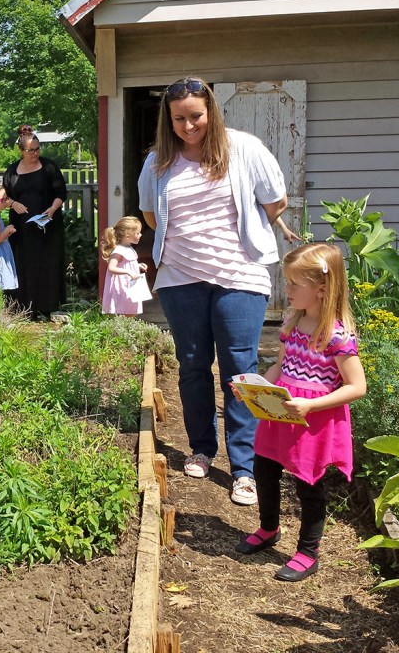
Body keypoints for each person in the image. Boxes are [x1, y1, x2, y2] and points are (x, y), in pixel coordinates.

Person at [138, 76, 288, 506]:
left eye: (196, 116)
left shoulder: (244, 148)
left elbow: (275, 201)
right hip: (180, 278)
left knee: (239, 368)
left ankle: (245, 468)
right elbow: (151, 215)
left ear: (211, 111)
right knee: (192, 365)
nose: (188, 126)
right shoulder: (158, 162)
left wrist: (230, 240)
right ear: (168, 120)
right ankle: (202, 449)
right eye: (179, 119)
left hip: (240, 275)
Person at [234, 243, 365, 582]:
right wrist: (256, 388)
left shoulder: (337, 335)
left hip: (313, 420)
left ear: (321, 288)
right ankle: (268, 529)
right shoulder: (292, 322)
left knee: (309, 486)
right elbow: (281, 366)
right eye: (286, 281)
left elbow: (357, 387)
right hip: (281, 413)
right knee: (264, 469)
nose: (286, 289)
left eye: (294, 283)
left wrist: (311, 404)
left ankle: (308, 552)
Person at [3, 124, 68, 321]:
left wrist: (52, 209)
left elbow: (60, 193)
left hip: (47, 227)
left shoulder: (49, 167)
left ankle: (48, 307)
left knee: (48, 265)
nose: (35, 153)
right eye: (31, 150)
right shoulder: (12, 171)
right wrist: (13, 204)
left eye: (38, 149)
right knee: (25, 266)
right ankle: (24, 308)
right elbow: (4, 198)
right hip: (22, 231)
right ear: (21, 150)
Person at [100, 216, 149, 316]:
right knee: (125, 311)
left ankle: (127, 324)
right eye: (137, 233)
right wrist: (129, 272)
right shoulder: (119, 250)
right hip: (122, 287)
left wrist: (137, 265)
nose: (140, 235)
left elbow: (126, 264)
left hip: (130, 285)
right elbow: (111, 268)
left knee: (132, 310)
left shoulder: (129, 248)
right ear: (128, 235)